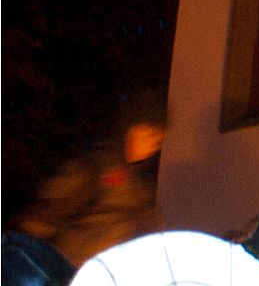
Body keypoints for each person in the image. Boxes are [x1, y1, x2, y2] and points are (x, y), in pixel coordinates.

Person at [11, 90, 166, 266]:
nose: (149, 145)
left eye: (156, 139)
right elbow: (43, 217)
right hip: (72, 272)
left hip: (109, 278)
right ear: (129, 128)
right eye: (145, 134)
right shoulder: (95, 167)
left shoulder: (141, 187)